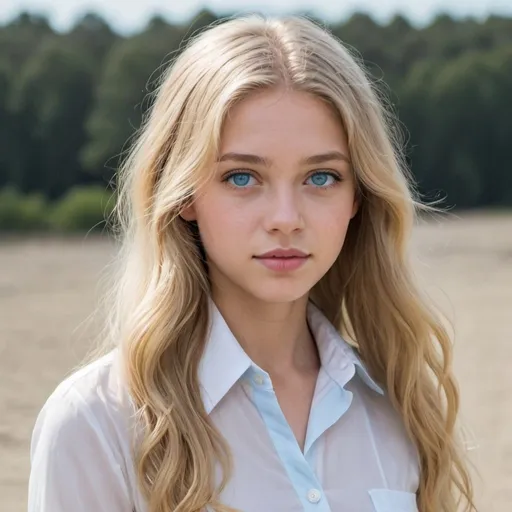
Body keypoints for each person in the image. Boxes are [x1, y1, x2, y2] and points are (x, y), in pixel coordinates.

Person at [27, 14, 476, 512]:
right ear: (184, 195)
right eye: (242, 177)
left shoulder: (400, 404)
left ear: (359, 196)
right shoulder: (96, 424)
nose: (286, 219)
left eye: (321, 177)